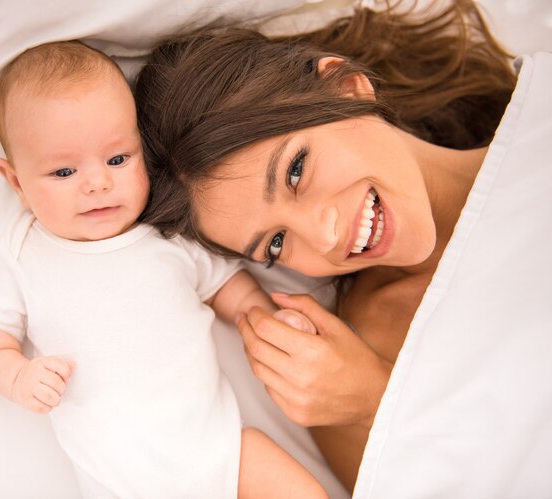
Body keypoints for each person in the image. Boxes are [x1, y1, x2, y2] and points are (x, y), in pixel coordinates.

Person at [133, 0, 524, 493]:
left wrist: (384, 399)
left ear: (347, 87)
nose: (324, 237)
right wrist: (370, 398)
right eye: (275, 244)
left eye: (296, 171)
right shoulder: (346, 366)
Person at [0, 41, 327, 499]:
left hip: (222, 453)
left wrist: (265, 321)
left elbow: (227, 285)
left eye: (118, 159)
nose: (97, 183)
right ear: (16, 181)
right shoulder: (23, 254)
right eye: (63, 173)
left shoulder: (165, 232)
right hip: (122, 483)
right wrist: (16, 376)